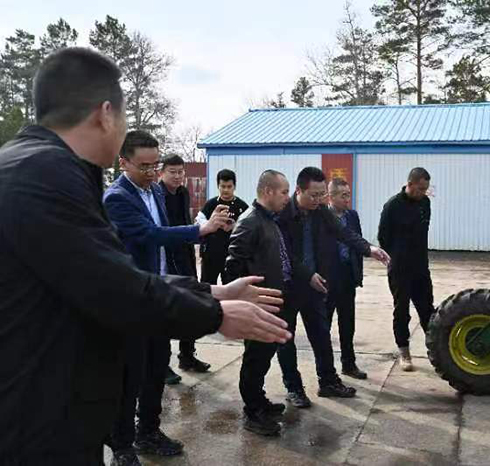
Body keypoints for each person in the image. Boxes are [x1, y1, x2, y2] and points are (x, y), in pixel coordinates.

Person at [0, 47, 291, 466]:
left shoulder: (32, 165)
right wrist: (215, 314)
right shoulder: (46, 174)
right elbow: (113, 287)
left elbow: (111, 271)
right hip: (34, 422)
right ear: (106, 114)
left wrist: (214, 291)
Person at [104, 131, 233, 464]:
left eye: (154, 165)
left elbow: (166, 234)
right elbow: (150, 235)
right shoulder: (116, 198)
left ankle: (148, 431)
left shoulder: (156, 193)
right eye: (144, 166)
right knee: (129, 377)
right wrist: (200, 230)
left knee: (156, 369)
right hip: (131, 299)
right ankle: (122, 446)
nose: (151, 172)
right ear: (124, 162)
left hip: (158, 293)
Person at [276, 167, 390, 408]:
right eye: (314, 195)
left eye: (322, 195)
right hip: (288, 287)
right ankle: (294, 388)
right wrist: (308, 275)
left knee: (321, 336)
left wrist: (369, 249)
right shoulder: (283, 214)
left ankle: (328, 381)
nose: (319, 200)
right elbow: (285, 254)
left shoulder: (321, 212)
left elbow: (343, 232)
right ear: (299, 190)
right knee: (285, 338)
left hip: (315, 286)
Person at [226, 170, 293, 436]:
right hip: (258, 303)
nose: (287, 197)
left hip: (273, 300)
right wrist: (241, 301)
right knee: (255, 357)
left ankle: (259, 399)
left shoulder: (268, 219)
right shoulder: (251, 221)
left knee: (264, 355)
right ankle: (252, 412)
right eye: (284, 192)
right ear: (268, 191)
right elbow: (232, 265)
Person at [378, 167, 436, 372]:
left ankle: (436, 351)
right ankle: (404, 351)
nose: (423, 193)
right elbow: (383, 237)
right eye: (420, 189)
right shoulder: (392, 206)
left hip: (420, 266)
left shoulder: (425, 203)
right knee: (401, 310)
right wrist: (397, 255)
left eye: (426, 189)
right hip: (400, 268)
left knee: (427, 310)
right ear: (410, 184)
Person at [159, 154, 211, 383]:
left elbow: (187, 223)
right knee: (165, 313)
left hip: (185, 256)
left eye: (181, 171)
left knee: (190, 307)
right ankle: (162, 365)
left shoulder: (183, 193)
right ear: (161, 172)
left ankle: (187, 356)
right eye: (172, 171)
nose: (178, 176)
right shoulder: (157, 194)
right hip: (166, 258)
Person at [325, 178, 367, 379]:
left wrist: (358, 274)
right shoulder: (321, 217)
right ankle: (326, 369)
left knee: (347, 323)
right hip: (327, 279)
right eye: (343, 195)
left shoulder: (352, 216)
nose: (347, 199)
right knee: (323, 325)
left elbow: (357, 242)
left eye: (348, 195)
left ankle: (349, 364)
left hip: (347, 276)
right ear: (331, 196)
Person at [196, 169, 249, 285]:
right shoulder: (210, 205)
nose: (226, 190)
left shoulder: (242, 207)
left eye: (229, 187)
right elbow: (198, 222)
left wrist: (234, 226)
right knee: (207, 287)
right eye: (222, 186)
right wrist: (211, 224)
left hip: (232, 256)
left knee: (232, 287)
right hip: (211, 255)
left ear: (234, 186)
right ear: (218, 186)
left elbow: (249, 229)